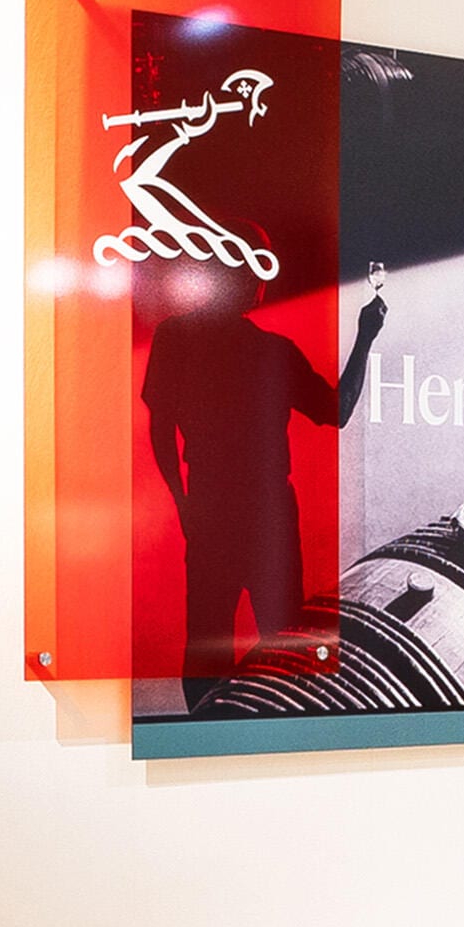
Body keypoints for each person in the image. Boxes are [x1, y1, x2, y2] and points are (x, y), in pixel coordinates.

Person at [141, 243, 379, 707]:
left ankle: (205, 740)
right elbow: (339, 409)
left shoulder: (175, 337)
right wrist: (366, 336)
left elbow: (160, 429)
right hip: (268, 512)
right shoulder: (272, 352)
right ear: (251, 282)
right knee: (282, 642)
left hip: (211, 506)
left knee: (207, 643)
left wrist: (184, 501)